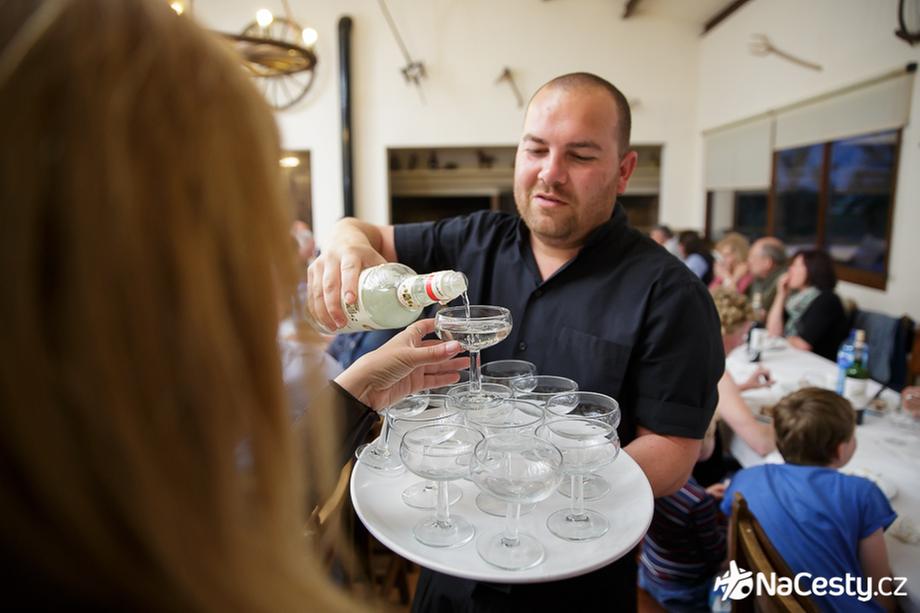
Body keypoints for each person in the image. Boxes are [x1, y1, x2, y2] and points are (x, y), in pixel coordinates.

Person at [0, 1, 465, 608]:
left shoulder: (113, 485)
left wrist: (362, 389)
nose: (276, 276)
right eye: (238, 227)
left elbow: (240, 516)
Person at [308, 72, 724, 612]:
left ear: (624, 171)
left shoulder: (670, 293)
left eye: (580, 155)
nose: (550, 173)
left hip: (575, 571)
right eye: (536, 149)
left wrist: (532, 481)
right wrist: (343, 242)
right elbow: (364, 233)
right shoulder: (473, 238)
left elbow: (672, 451)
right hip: (449, 557)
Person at [721, 389, 898, 612]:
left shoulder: (745, 480)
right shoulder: (863, 493)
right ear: (840, 450)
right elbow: (880, 589)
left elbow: (735, 560)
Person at [639, 416, 726, 612]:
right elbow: (715, 552)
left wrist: (705, 495)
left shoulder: (651, 475)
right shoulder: (698, 501)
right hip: (684, 587)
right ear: (701, 444)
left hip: (650, 570)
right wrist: (728, 528)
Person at [694, 289, 775, 486]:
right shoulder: (717, 372)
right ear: (725, 333)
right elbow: (761, 444)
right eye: (743, 334)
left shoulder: (696, 356)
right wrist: (788, 424)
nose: (742, 343)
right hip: (710, 482)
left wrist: (742, 387)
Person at [766, 249, 849, 361]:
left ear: (812, 269)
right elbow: (773, 332)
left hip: (819, 365)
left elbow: (803, 344)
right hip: (796, 359)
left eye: (796, 265)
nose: (790, 269)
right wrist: (781, 295)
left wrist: (784, 337)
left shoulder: (827, 300)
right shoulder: (795, 300)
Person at [746, 237, 787, 311]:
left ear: (767, 262)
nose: (749, 261)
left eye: (753, 257)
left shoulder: (783, 282)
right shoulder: (758, 279)